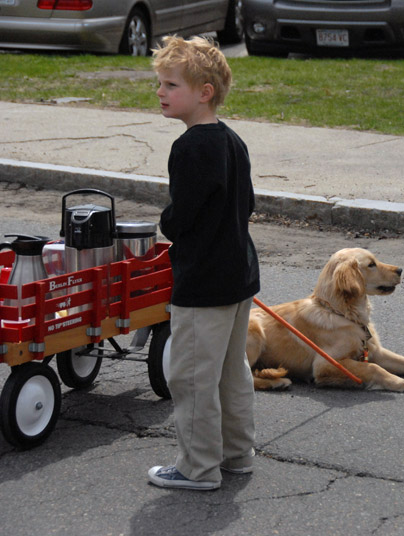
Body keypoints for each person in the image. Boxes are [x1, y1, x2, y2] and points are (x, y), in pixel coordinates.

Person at [148, 36, 261, 490]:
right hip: (237, 276)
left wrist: (166, 220)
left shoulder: (191, 147)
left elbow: (181, 218)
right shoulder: (232, 141)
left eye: (171, 84)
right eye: (159, 83)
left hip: (204, 281)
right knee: (233, 373)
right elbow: (247, 202)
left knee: (192, 376)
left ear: (204, 91)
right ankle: (238, 453)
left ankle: (198, 468)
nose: (160, 92)